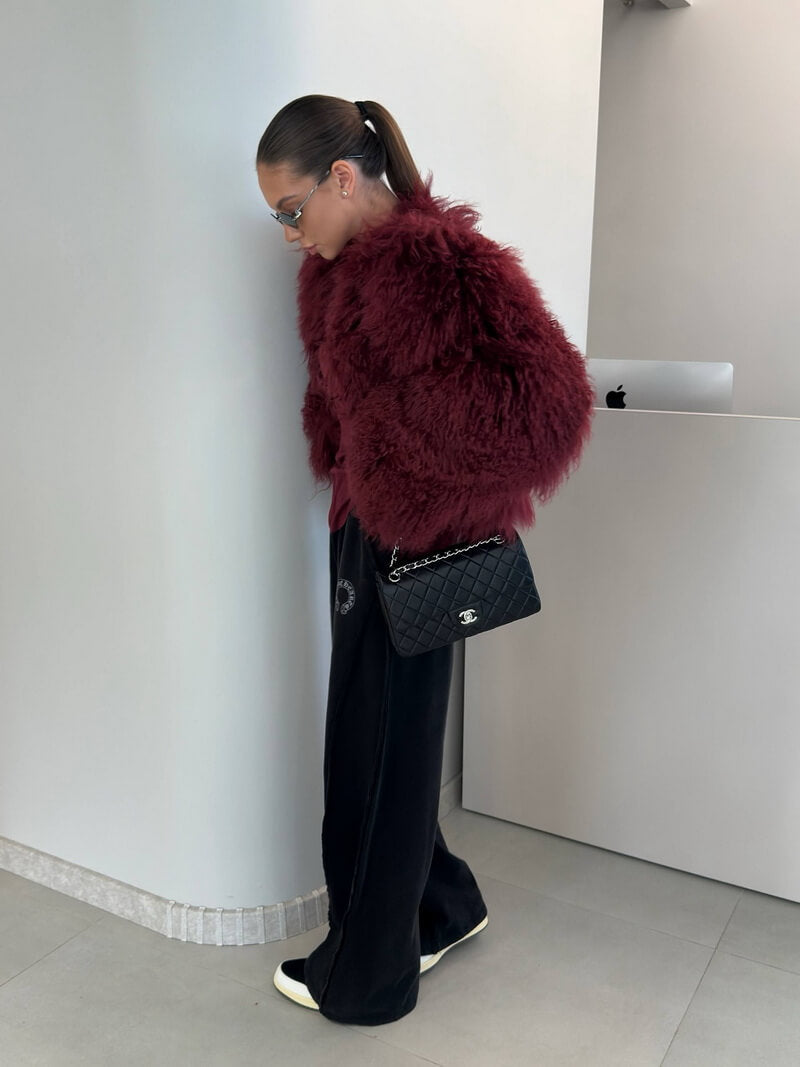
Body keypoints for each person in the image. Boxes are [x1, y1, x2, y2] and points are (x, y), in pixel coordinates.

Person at [255, 95, 594, 1026]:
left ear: (342, 177)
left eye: (292, 209)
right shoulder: (344, 268)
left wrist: (411, 478)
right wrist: (367, 466)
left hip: (407, 538)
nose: (287, 233)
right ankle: (444, 905)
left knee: (379, 751)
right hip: (367, 529)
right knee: (379, 738)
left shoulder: (434, 262)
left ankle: (370, 975)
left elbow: (552, 404)